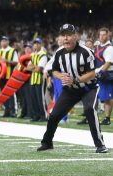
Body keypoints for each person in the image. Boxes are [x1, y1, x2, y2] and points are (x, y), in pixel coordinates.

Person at [37, 24, 108, 154]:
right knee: (54, 115)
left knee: (89, 110)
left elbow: (92, 73)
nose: (66, 38)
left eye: (69, 35)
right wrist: (61, 76)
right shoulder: (59, 52)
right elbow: (54, 71)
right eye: (63, 35)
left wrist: (75, 80)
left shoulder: (86, 52)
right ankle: (47, 142)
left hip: (88, 88)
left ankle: (100, 144)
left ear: (76, 36)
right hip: (71, 90)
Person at [0, 36, 19, 117]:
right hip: (1, 76)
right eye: (2, 41)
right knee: (3, 94)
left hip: (10, 75)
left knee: (11, 93)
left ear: (8, 42)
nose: (3, 42)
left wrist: (7, 61)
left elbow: (16, 62)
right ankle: (7, 110)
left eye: (5, 41)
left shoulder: (12, 51)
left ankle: (13, 111)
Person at [94, 27, 113, 126]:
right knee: (103, 97)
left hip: (106, 75)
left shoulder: (109, 48)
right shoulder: (98, 46)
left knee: (107, 97)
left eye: (104, 34)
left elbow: (108, 63)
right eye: (100, 34)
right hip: (99, 74)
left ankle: (107, 118)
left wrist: (100, 73)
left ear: (108, 35)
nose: (101, 36)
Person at [27, 38, 48, 122]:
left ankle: (44, 116)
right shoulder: (33, 55)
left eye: (37, 43)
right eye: (34, 43)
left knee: (40, 99)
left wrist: (33, 67)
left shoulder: (43, 54)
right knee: (34, 98)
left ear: (41, 44)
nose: (36, 45)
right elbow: (28, 68)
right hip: (33, 79)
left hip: (40, 79)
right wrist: (34, 67)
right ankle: (36, 115)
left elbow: (39, 69)